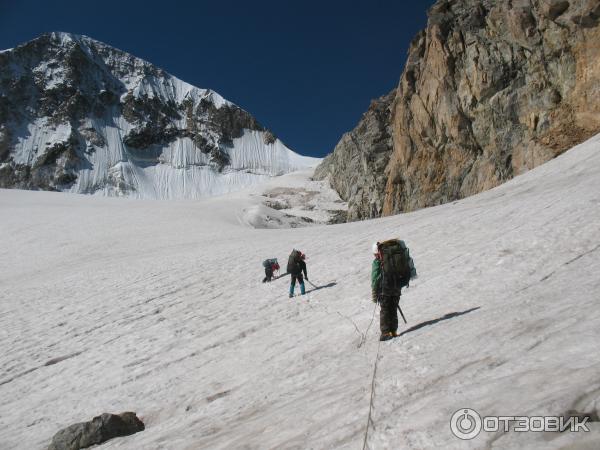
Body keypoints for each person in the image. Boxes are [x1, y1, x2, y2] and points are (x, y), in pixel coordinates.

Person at [371, 242, 401, 341]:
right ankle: (393, 331)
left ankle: (385, 333)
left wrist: (374, 292)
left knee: (385, 310)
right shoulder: (393, 260)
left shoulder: (377, 262)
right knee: (393, 309)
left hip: (384, 290)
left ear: (377, 253)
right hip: (396, 288)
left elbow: (375, 278)